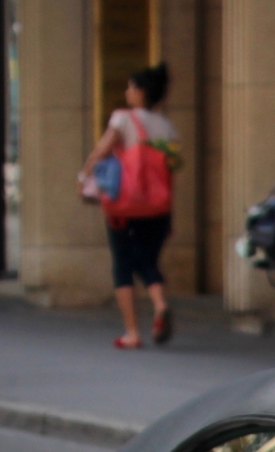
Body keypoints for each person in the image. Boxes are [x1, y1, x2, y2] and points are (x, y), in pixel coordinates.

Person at [78, 64, 180, 350]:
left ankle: (132, 333)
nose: (126, 92)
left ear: (140, 91)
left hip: (126, 205)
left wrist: (84, 175)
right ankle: (160, 304)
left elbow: (103, 149)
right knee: (147, 260)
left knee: (123, 264)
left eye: (130, 87)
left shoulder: (123, 119)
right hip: (159, 207)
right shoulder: (167, 126)